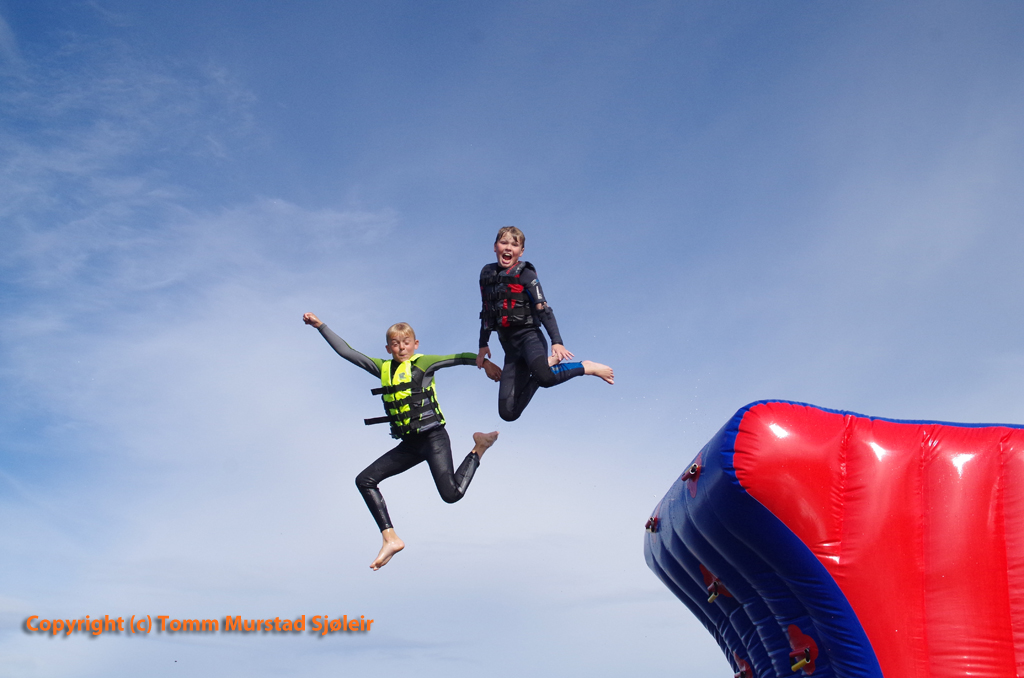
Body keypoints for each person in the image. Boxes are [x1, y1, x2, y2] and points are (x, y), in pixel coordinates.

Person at [303, 312, 502, 571]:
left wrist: (485, 364)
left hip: (433, 438)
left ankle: (480, 446)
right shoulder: (383, 368)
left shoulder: (424, 363)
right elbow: (347, 352)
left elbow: (458, 357)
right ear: (388, 348)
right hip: (410, 444)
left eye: (406, 343)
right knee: (364, 480)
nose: (401, 348)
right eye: (395, 344)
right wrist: (320, 326)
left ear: (415, 344)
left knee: (451, 494)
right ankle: (390, 538)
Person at [476, 226, 614, 422]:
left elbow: (544, 309)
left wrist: (557, 341)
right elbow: (487, 310)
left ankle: (585, 367)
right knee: (508, 413)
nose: (508, 248)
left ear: (521, 251)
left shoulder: (526, 274)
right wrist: (483, 344)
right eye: (503, 242)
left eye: (514, 245)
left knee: (546, 378)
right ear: (495, 247)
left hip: (529, 338)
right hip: (511, 349)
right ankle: (544, 366)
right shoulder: (486, 273)